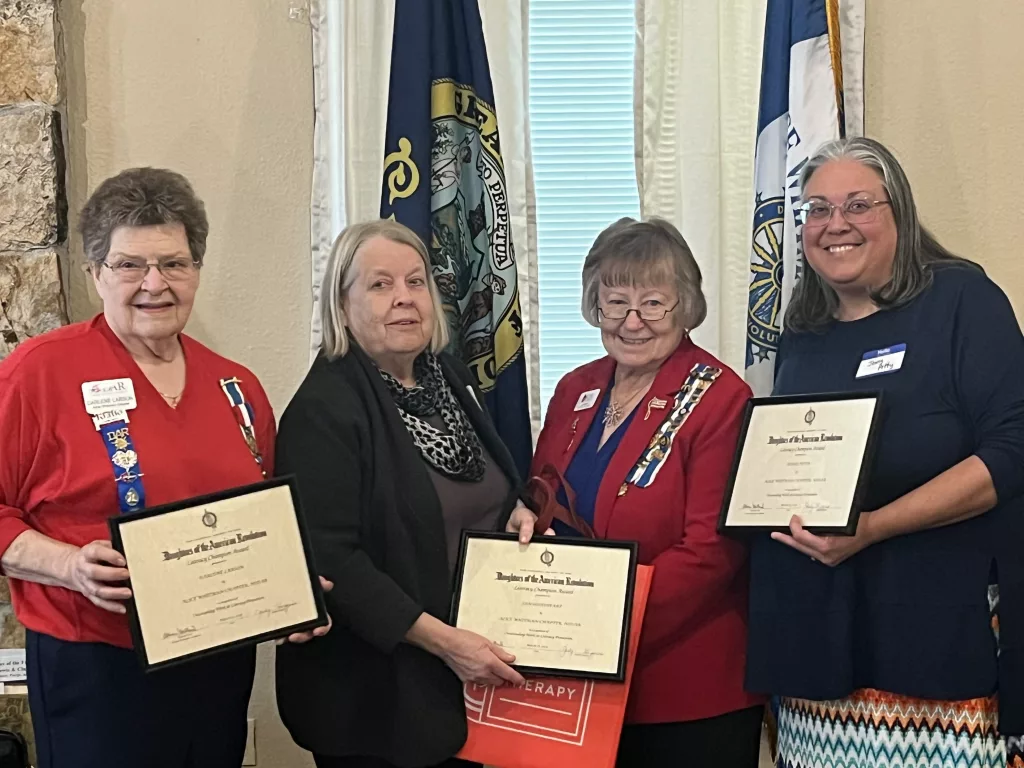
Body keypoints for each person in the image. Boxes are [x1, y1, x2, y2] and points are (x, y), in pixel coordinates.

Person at [0, 168, 328, 768]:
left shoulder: (237, 387)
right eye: (130, 265)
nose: (155, 283)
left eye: (174, 264)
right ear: (95, 273)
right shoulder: (40, 372)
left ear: (197, 271)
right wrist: (67, 564)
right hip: (95, 665)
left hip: (218, 662)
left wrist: (292, 590)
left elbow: (265, 517)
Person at [745, 136, 1024, 768]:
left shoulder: (961, 302)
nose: (834, 224)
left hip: (936, 647)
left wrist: (872, 528)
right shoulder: (802, 336)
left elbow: (1011, 452)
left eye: (857, 205)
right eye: (816, 209)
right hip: (818, 659)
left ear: (899, 212)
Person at [274, 219, 540, 768]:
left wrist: (513, 509)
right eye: (380, 285)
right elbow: (334, 561)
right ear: (342, 305)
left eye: (416, 282)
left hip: (462, 684)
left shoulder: (448, 376)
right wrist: (445, 642)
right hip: (377, 700)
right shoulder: (324, 409)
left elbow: (486, 483)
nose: (404, 299)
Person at [529, 217, 766, 767]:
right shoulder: (576, 388)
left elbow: (712, 550)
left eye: (653, 303)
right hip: (576, 686)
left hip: (685, 690)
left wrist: (604, 621)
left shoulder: (721, 396)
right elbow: (542, 491)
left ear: (683, 307)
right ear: (596, 307)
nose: (632, 322)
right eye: (615, 303)